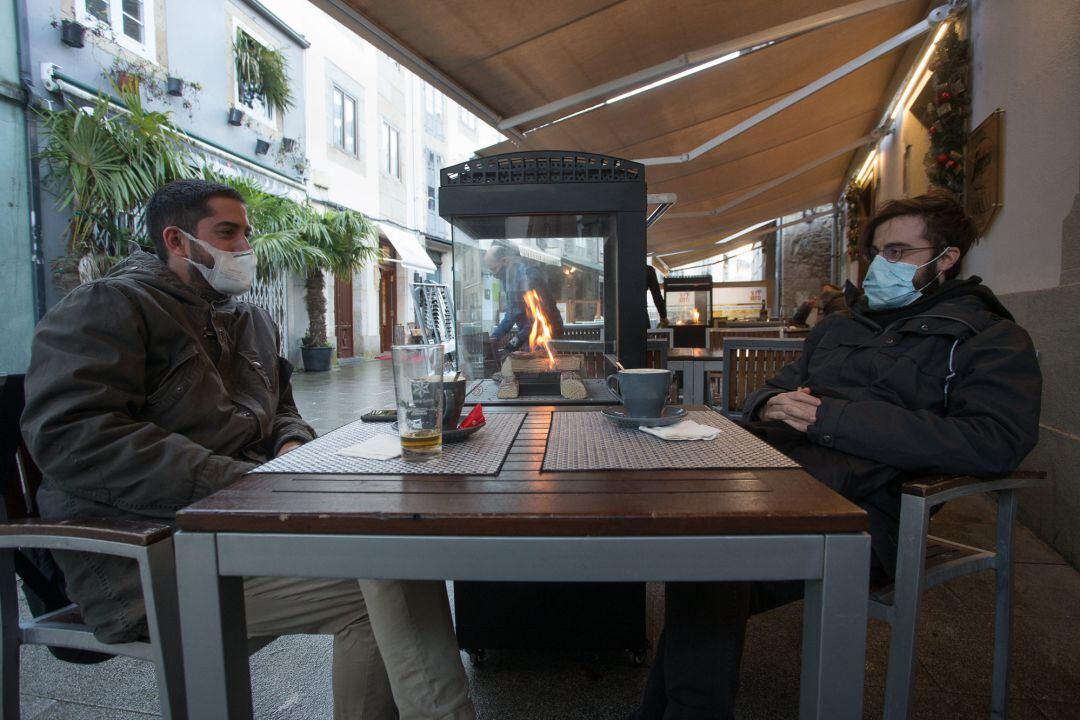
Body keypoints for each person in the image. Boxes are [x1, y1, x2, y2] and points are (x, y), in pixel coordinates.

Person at [21, 179, 475, 720]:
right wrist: (240, 484)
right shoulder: (109, 307)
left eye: (247, 234)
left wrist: (290, 443)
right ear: (177, 239)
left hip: (241, 532)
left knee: (389, 561)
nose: (244, 248)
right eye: (228, 233)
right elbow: (74, 438)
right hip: (145, 561)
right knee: (384, 574)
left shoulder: (249, 318)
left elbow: (283, 406)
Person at [629, 190, 1042, 720]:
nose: (878, 266)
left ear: (947, 259)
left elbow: (996, 440)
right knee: (703, 551)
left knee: (712, 560)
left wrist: (834, 420)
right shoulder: (840, 327)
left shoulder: (989, 337)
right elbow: (765, 393)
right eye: (874, 253)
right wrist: (773, 402)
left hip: (872, 514)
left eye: (896, 253)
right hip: (781, 487)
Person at [485, 243, 564, 349]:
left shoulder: (529, 277)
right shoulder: (508, 280)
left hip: (548, 333)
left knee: (540, 364)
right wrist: (494, 337)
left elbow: (540, 316)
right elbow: (511, 314)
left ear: (505, 261)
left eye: (494, 269)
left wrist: (516, 340)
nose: (494, 275)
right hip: (530, 335)